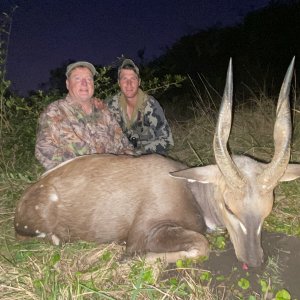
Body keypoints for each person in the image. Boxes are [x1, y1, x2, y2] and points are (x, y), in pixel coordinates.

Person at [35, 61, 133, 170]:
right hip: (78, 178)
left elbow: (125, 145)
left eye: (89, 79)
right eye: (77, 79)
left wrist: (125, 165)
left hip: (112, 174)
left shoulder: (104, 111)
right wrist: (83, 168)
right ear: (68, 84)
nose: (84, 83)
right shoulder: (54, 112)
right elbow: (43, 150)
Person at [106, 58, 174, 154]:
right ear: (118, 83)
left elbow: (167, 142)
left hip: (149, 158)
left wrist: (137, 152)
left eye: (133, 78)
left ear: (139, 82)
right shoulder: (110, 105)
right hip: (121, 160)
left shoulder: (151, 104)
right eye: (124, 79)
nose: (129, 84)